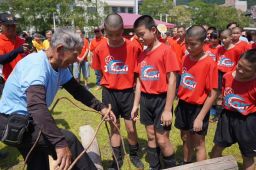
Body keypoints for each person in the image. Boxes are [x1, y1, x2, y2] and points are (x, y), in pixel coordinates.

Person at [0, 28, 116, 170]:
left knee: (38, 162)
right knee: (69, 140)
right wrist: (60, 144)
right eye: (75, 54)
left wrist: (101, 107)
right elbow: (36, 107)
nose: (77, 59)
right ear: (60, 49)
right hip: (12, 123)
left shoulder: (60, 67)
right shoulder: (36, 65)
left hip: (27, 122)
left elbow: (77, 90)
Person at [92, 14, 144, 170]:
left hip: (128, 93)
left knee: (130, 127)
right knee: (115, 127)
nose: (114, 38)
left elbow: (138, 74)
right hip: (109, 93)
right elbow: (99, 70)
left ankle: (134, 155)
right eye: (110, 34)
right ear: (104, 31)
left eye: (118, 33)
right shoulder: (99, 48)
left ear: (123, 29)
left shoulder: (134, 47)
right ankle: (117, 159)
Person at [132, 15, 180, 169]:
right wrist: (135, 105)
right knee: (151, 136)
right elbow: (139, 81)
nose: (139, 38)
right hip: (146, 101)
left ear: (153, 30)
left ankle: (170, 166)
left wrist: (167, 109)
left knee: (162, 139)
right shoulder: (142, 54)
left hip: (161, 100)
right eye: (137, 35)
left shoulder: (166, 51)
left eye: (141, 34)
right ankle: (155, 166)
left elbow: (172, 80)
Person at [175, 25, 218, 164]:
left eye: (193, 44)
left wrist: (200, 117)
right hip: (183, 105)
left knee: (199, 143)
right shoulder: (186, 58)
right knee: (185, 137)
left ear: (203, 43)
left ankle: (200, 167)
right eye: (187, 43)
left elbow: (213, 94)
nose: (188, 47)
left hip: (198, 108)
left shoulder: (209, 63)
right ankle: (187, 163)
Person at [211, 49, 256, 170]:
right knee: (217, 147)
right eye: (239, 66)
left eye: (247, 70)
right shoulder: (227, 76)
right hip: (227, 117)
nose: (240, 71)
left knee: (248, 155)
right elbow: (223, 94)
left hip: (248, 122)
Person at [0, 12, 30, 81]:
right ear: (1, 25)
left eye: (13, 25)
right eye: (8, 25)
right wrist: (17, 51)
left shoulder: (21, 41)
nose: (11, 28)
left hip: (23, 79)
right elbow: (2, 60)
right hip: (6, 81)